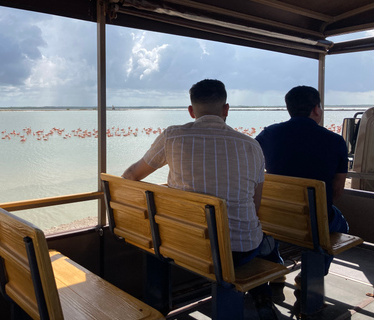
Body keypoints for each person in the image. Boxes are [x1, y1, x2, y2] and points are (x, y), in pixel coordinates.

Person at [123, 79, 280, 319]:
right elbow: (255, 206)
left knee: (155, 245)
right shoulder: (252, 146)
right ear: (226, 109)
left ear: (191, 111)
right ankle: (263, 297)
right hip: (239, 250)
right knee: (262, 241)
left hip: (184, 246)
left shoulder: (172, 136)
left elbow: (131, 176)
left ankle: (158, 310)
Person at [255, 85, 349, 279]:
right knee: (341, 225)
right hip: (313, 223)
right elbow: (337, 190)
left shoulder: (268, 135)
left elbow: (251, 165)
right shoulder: (335, 141)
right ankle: (312, 275)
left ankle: (276, 268)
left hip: (274, 217)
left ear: (289, 109)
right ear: (316, 109)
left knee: (270, 225)